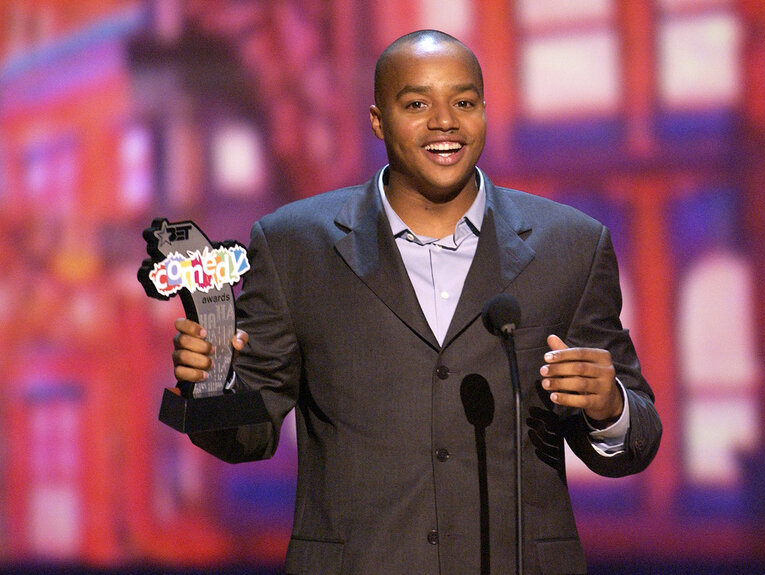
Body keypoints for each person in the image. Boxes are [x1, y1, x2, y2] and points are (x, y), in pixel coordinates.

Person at [171, 30, 661, 575]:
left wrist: (609, 407)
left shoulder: (570, 244)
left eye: (464, 102)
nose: (445, 121)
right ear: (378, 119)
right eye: (418, 104)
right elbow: (250, 433)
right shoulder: (293, 245)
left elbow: (639, 432)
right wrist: (211, 384)